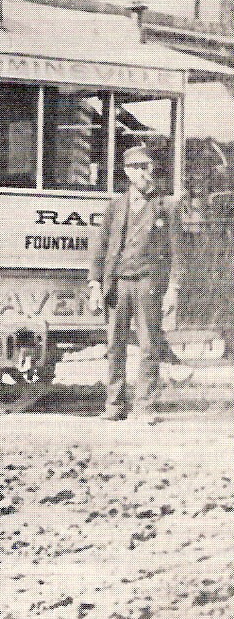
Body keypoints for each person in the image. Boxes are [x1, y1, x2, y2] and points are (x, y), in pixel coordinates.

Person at [88, 144, 185, 425]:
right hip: (117, 285)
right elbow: (100, 248)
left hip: (149, 285)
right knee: (115, 345)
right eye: (136, 168)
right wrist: (95, 283)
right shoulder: (115, 206)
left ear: (152, 169)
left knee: (148, 346)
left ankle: (144, 407)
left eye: (146, 166)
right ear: (127, 172)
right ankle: (114, 405)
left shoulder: (166, 206)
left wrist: (173, 290)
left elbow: (178, 253)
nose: (142, 173)